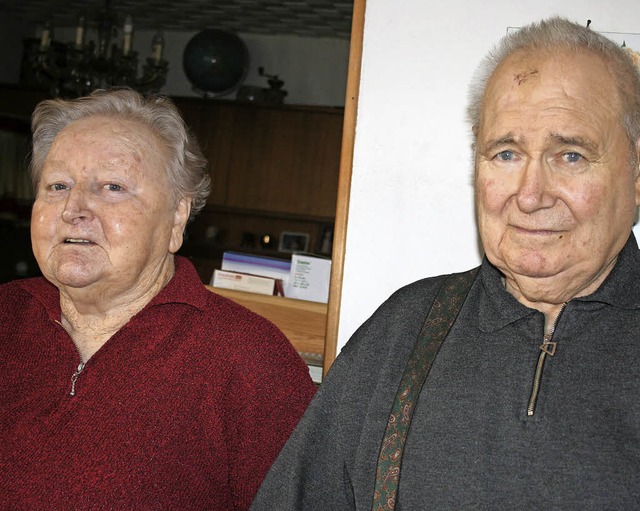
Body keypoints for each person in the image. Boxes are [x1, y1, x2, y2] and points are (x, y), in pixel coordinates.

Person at [249, 16, 640, 510]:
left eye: (571, 156)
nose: (531, 195)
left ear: (636, 171)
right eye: (505, 154)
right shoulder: (402, 332)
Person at [0, 88, 316, 510]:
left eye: (112, 187)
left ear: (177, 217)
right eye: (57, 185)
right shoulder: (7, 316)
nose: (74, 207)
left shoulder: (249, 362)